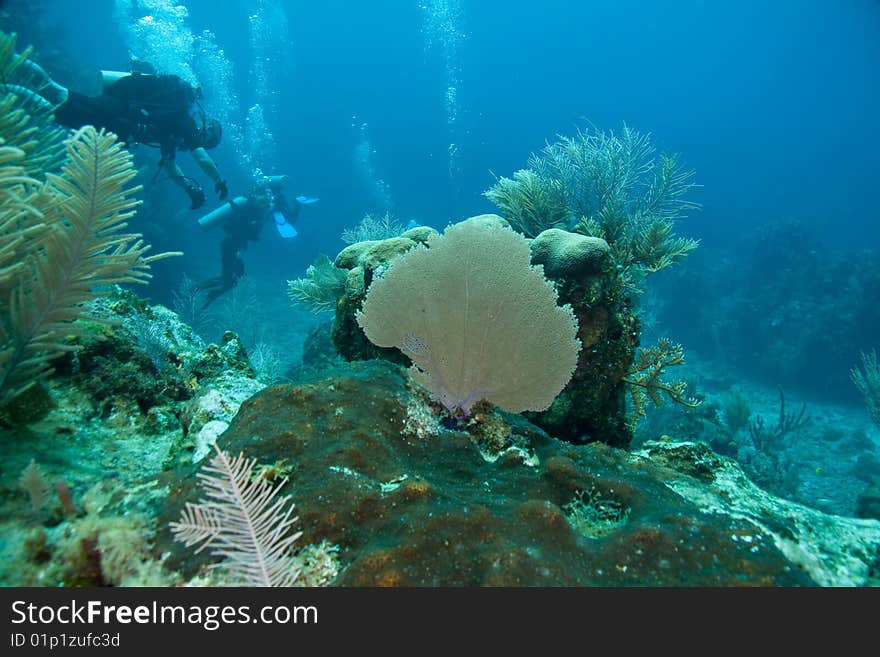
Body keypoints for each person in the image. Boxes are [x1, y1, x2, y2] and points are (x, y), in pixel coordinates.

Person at [13, 56, 227, 210]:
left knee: (55, 106)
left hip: (114, 120)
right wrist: (219, 180)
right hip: (113, 114)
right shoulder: (185, 121)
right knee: (57, 99)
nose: (201, 143)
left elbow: (170, 167)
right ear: (206, 130)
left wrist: (189, 189)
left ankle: (9, 79)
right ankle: (10, 64)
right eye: (207, 140)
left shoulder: (173, 131)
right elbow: (200, 157)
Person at [194, 175, 318, 308]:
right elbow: (289, 219)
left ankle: (202, 296)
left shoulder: (258, 202)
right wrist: (297, 205)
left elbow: (286, 221)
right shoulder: (257, 203)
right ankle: (197, 291)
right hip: (231, 244)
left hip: (233, 244)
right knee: (230, 280)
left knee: (235, 280)